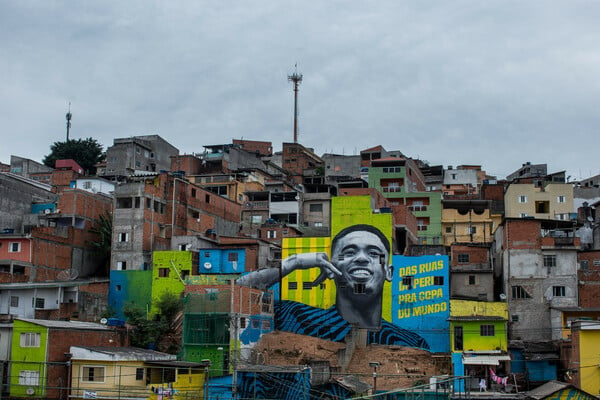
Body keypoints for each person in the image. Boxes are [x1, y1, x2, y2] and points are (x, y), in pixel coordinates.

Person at [237, 224, 429, 349]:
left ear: (389, 273)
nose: (361, 258)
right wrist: (293, 262)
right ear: (331, 267)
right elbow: (239, 290)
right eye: (348, 253)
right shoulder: (290, 315)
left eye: (373, 253)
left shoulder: (412, 343)